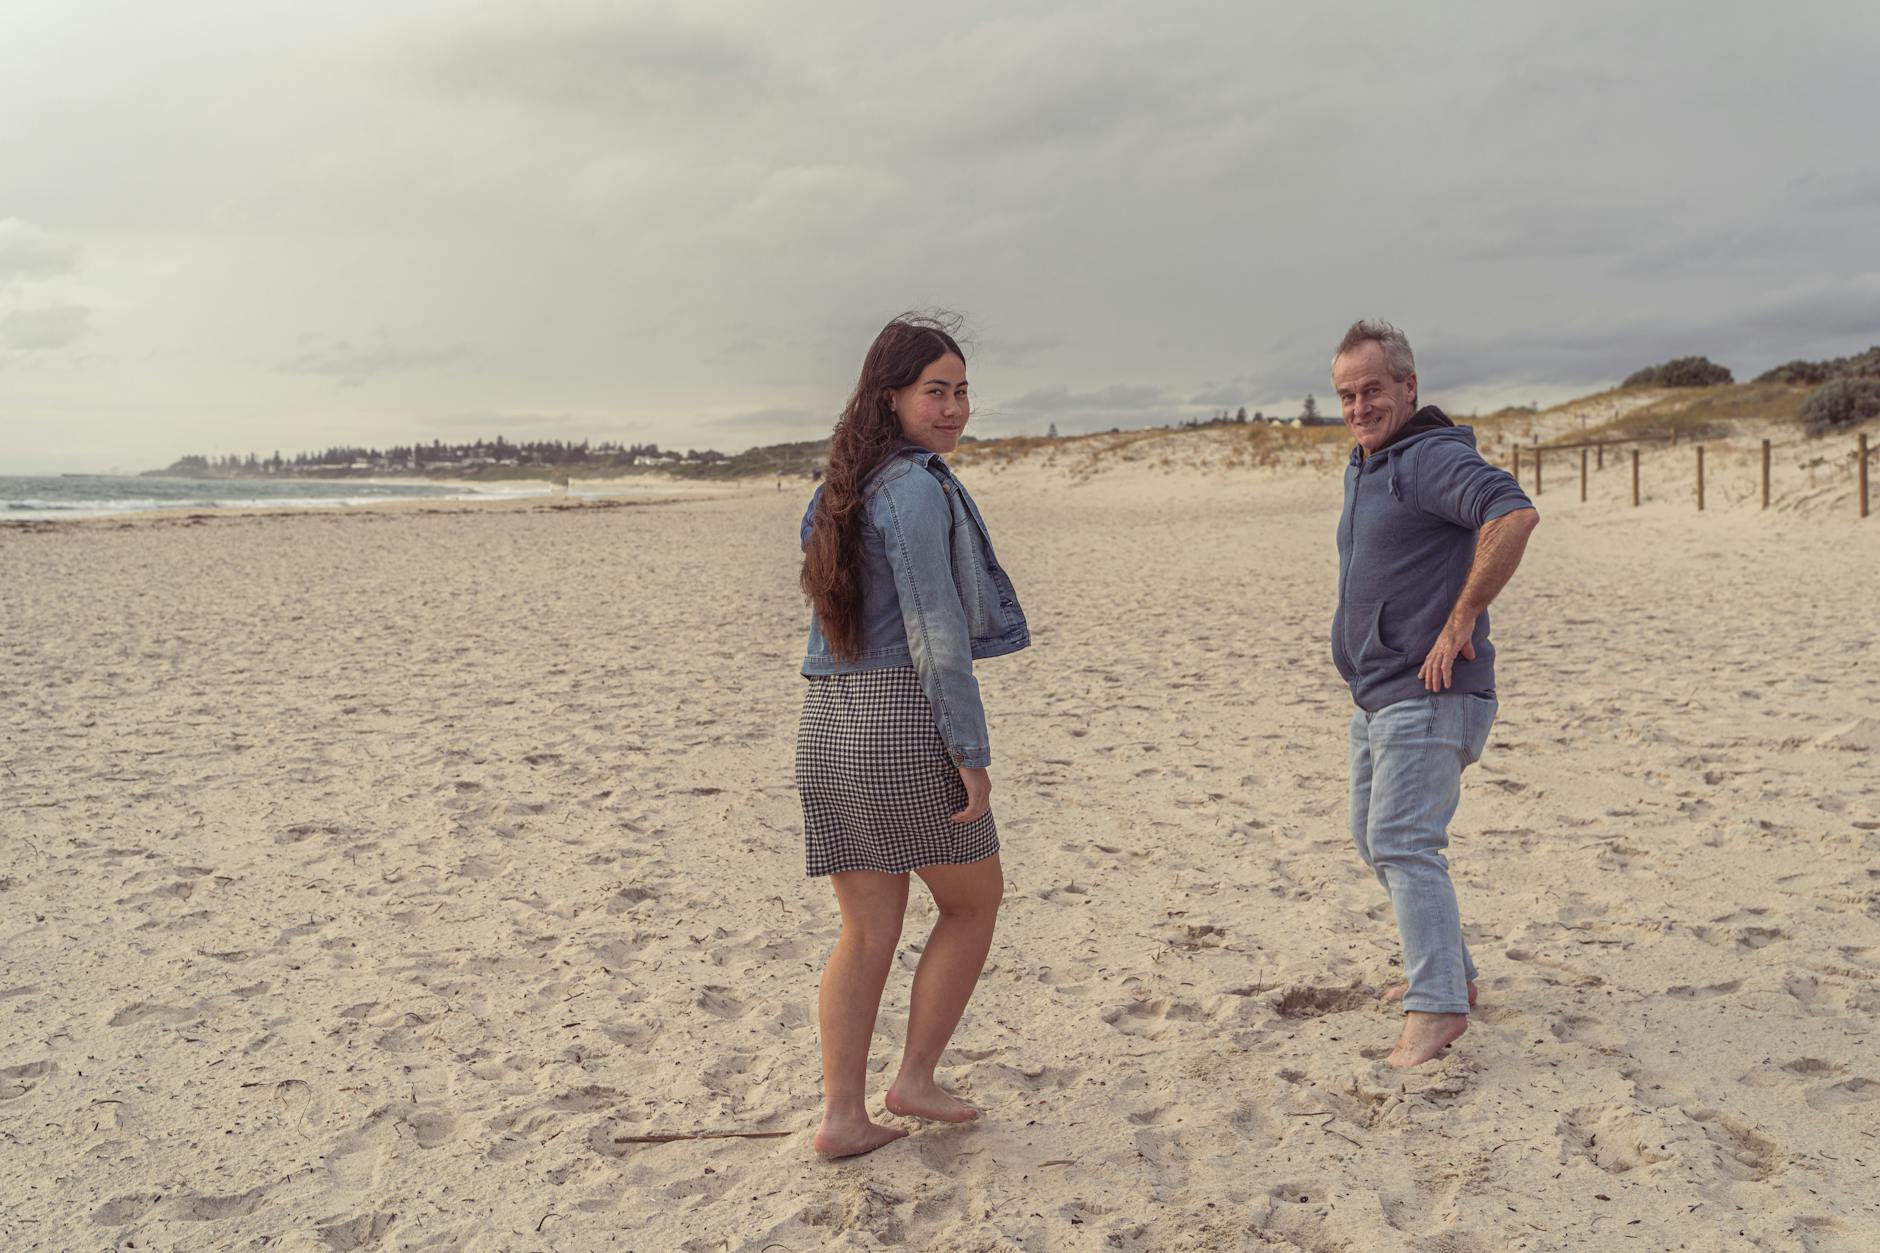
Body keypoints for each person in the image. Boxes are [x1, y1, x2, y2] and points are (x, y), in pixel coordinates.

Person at [796, 313, 1029, 1157]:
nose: (955, 407)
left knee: (866, 929)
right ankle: (914, 1080)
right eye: (936, 391)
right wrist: (971, 753)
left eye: (963, 390)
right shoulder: (917, 489)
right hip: (900, 719)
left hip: (827, 721)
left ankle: (843, 1115)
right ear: (889, 395)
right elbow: (936, 632)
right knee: (973, 902)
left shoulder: (838, 487)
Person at [1328, 319, 1539, 1067]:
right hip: (1380, 694)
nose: (1359, 406)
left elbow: (1512, 513)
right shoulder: (1369, 462)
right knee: (1373, 836)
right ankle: (1454, 975)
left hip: (1433, 688)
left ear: (1408, 388)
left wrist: (1462, 616)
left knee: (1403, 841)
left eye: (1373, 390)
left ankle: (1438, 1005)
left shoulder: (1429, 457)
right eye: (1347, 394)